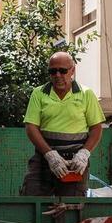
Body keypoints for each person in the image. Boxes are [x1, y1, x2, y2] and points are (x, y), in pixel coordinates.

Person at [22, 50, 106, 194]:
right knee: (31, 200)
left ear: (72, 70)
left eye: (62, 70)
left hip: (75, 162)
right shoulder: (39, 93)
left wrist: (84, 154)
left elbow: (96, 128)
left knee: (71, 206)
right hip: (44, 159)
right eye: (53, 71)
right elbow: (31, 128)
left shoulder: (86, 94)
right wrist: (50, 155)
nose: (58, 75)